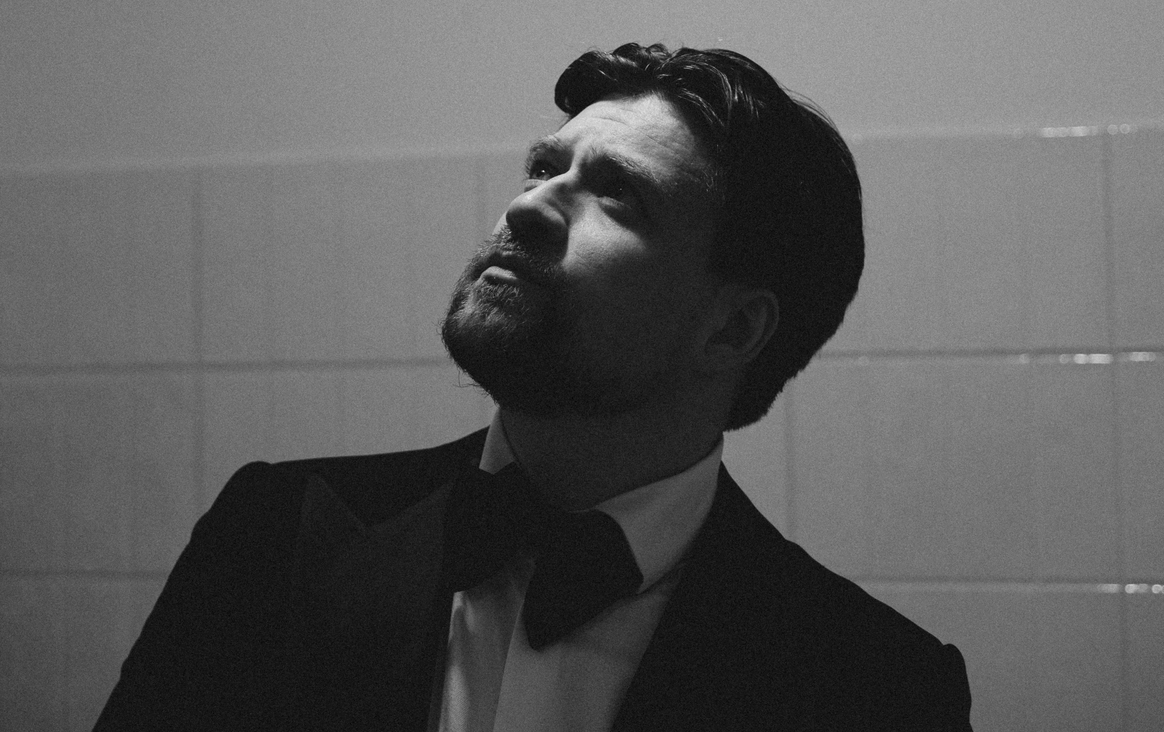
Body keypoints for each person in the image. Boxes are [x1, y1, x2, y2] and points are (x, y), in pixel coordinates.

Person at [94, 42, 973, 731]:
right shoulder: (274, 537)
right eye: (543, 168)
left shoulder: (873, 686)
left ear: (732, 328)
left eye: (618, 195)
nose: (525, 206)